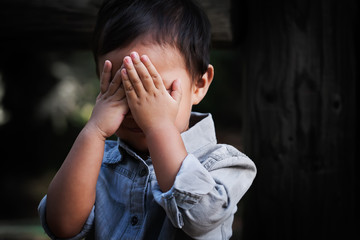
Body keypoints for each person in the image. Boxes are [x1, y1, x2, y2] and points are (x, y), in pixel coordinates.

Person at [38, 0, 256, 239]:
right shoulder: (94, 162)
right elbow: (61, 226)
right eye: (120, 88)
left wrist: (159, 127)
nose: (138, 107)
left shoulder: (222, 164)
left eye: (153, 90)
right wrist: (94, 130)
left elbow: (201, 219)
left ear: (199, 84)